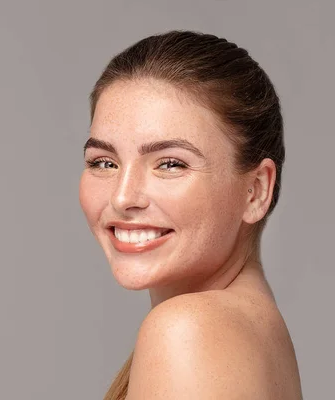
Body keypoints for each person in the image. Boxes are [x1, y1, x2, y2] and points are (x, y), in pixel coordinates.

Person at [79, 30, 303, 399]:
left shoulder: (188, 332)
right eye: (104, 162)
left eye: (170, 164)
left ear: (256, 190)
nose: (122, 197)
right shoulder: (249, 330)